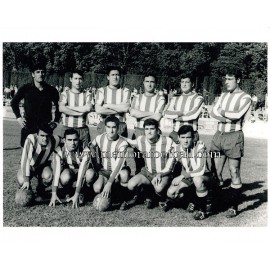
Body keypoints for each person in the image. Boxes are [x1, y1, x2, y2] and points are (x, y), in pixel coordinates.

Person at [210, 67, 251, 218]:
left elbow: (238, 114)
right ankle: (214, 202)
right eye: (225, 79)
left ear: (238, 80)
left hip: (234, 137)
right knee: (215, 172)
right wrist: (226, 117)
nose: (226, 82)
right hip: (218, 136)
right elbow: (212, 112)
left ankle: (233, 206)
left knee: (234, 171)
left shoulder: (245, 97)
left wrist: (221, 113)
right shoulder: (223, 95)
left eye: (230, 79)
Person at [121, 118, 173, 211]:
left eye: (152, 129)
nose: (149, 132)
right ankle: (146, 195)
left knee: (159, 188)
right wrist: (116, 136)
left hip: (162, 173)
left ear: (158, 130)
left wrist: (197, 143)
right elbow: (130, 142)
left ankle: (162, 198)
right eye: (147, 129)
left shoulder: (167, 141)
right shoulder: (141, 139)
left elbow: (181, 146)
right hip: (147, 173)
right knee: (131, 185)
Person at [165, 125, 212, 220]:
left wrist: (182, 176)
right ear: (178, 138)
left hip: (204, 176)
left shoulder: (199, 146)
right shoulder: (176, 149)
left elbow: (200, 170)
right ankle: (192, 201)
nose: (185, 141)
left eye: (188, 137)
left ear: (193, 137)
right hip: (188, 178)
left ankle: (202, 210)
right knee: (171, 193)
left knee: (197, 180)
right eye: (183, 137)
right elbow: (168, 167)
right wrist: (159, 174)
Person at [11, 62, 60, 147]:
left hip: (45, 128)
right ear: (33, 74)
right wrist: (19, 118)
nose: (40, 74)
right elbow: (14, 102)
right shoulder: (25, 88)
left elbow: (59, 106)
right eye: (37, 72)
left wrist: (56, 121)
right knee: (27, 157)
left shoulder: (51, 90)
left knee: (43, 156)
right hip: (29, 126)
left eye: (42, 72)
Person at [86, 116, 131, 205]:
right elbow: (91, 146)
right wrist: (95, 162)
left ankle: (124, 198)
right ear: (105, 127)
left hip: (119, 172)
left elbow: (118, 165)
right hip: (105, 171)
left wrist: (109, 183)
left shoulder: (123, 143)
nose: (111, 130)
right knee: (97, 188)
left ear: (118, 128)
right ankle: (88, 194)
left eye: (114, 127)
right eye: (108, 127)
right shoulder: (100, 138)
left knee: (124, 174)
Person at [129, 74, 166, 173]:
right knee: (139, 162)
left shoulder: (160, 98)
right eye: (147, 81)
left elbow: (157, 117)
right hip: (139, 131)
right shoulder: (137, 97)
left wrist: (140, 114)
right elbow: (133, 113)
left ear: (155, 84)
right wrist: (151, 114)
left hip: (154, 133)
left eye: (152, 82)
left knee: (154, 162)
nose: (149, 84)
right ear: (143, 83)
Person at [49, 128, 94, 208]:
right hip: (70, 170)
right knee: (64, 177)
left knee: (90, 174)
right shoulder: (59, 150)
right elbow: (56, 173)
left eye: (75, 140)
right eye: (69, 140)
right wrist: (54, 193)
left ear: (78, 139)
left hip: (83, 171)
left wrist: (76, 194)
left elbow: (81, 173)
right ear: (64, 140)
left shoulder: (85, 149)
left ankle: (82, 192)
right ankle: (68, 192)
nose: (72, 143)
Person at [16, 123, 61, 201]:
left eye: (47, 136)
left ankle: (40, 190)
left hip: (42, 166)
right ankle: (28, 190)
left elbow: (66, 140)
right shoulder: (31, 139)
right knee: (22, 180)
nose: (45, 138)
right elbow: (25, 160)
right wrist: (26, 180)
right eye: (42, 136)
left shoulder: (54, 140)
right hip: (30, 166)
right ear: (37, 134)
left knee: (49, 176)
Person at [164, 73, 204, 144]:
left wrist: (175, 117)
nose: (184, 84)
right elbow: (166, 113)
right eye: (182, 82)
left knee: (190, 155)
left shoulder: (198, 98)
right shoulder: (175, 99)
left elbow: (193, 115)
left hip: (191, 135)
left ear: (192, 84)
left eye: (187, 82)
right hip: (175, 133)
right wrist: (182, 113)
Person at [58, 70, 92, 148]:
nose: (78, 81)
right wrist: (79, 112)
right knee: (66, 156)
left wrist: (69, 107)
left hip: (82, 129)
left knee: (84, 155)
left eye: (80, 79)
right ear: (71, 79)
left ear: (82, 80)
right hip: (67, 127)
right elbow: (61, 108)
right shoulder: (65, 94)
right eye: (75, 78)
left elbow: (88, 108)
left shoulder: (87, 94)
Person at [95, 66, 131, 137]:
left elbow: (125, 108)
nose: (115, 77)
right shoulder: (101, 90)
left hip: (120, 125)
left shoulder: (125, 91)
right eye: (113, 75)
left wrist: (108, 105)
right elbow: (98, 110)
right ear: (108, 77)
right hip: (104, 124)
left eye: (117, 75)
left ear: (120, 77)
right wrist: (120, 109)